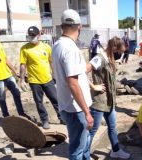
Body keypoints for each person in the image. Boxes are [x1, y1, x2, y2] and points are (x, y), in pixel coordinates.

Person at [52, 9, 93, 160]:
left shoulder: (57, 45)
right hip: (76, 109)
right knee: (77, 149)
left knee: (81, 143)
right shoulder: (70, 48)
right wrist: (87, 112)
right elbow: (73, 83)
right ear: (79, 27)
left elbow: (67, 74)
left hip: (66, 104)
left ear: (62, 26)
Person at [85, 37, 130, 159]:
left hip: (109, 101)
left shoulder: (109, 58)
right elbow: (83, 71)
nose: (120, 55)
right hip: (99, 101)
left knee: (112, 127)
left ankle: (115, 150)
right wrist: (94, 86)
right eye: (119, 52)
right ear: (114, 48)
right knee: (92, 131)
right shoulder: (100, 58)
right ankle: (85, 155)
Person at [19, 26, 62, 129]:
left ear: (39, 35)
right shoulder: (24, 49)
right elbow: (23, 64)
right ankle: (44, 120)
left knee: (55, 99)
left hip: (48, 79)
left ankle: (62, 118)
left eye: (33, 35)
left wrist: (55, 74)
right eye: (30, 36)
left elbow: (51, 62)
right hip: (34, 81)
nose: (31, 37)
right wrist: (21, 80)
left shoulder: (46, 47)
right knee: (39, 102)